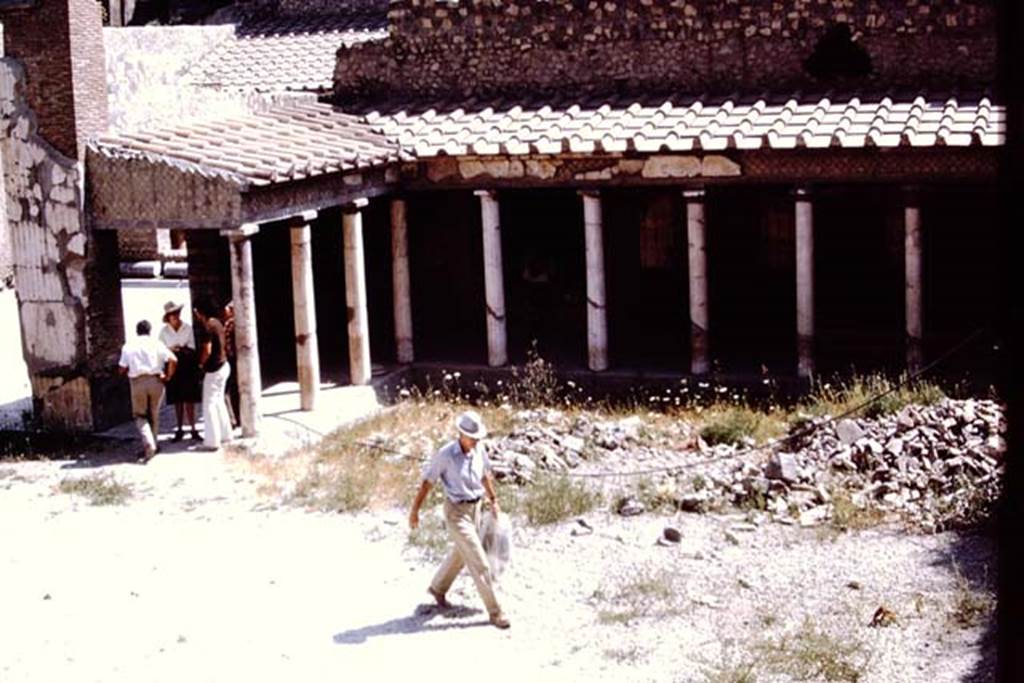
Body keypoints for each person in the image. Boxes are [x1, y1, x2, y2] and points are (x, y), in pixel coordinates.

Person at [408, 410, 510, 629]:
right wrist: (414, 511)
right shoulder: (446, 455)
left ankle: (437, 588)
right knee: (478, 561)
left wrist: (493, 500)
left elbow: (485, 475)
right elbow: (428, 482)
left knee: (461, 553)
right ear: (461, 434)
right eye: (471, 437)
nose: (475, 440)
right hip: (456, 512)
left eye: (477, 437)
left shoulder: (479, 449)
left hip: (476, 508)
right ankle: (495, 611)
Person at [118, 320, 176, 462]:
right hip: (156, 381)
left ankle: (149, 443)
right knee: (154, 414)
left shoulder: (129, 346)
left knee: (139, 415)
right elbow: (173, 359)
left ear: (137, 331)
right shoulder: (157, 344)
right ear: (150, 331)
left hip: (138, 382)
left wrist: (125, 372)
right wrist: (167, 376)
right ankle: (154, 445)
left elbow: (122, 368)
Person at [193, 298, 233, 451]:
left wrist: (201, 364)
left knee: (209, 404)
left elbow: (207, 350)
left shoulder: (207, 326)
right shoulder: (217, 322)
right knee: (218, 402)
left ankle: (212, 441)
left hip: (214, 369)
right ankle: (225, 435)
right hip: (223, 366)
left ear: (198, 311)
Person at [158, 301, 201, 442]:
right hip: (172, 365)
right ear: (168, 317)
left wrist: (181, 348)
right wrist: (171, 350)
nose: (175, 317)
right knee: (177, 399)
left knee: (190, 398)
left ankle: (193, 428)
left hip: (187, 365)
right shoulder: (163, 332)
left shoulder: (187, 328)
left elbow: (192, 347)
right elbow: (161, 350)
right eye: (172, 315)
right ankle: (180, 428)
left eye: (177, 313)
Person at [222, 300, 241, 429]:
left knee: (228, 390)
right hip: (235, 359)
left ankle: (233, 418)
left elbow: (227, 344)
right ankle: (237, 418)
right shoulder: (235, 323)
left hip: (231, 360)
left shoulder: (230, 323)